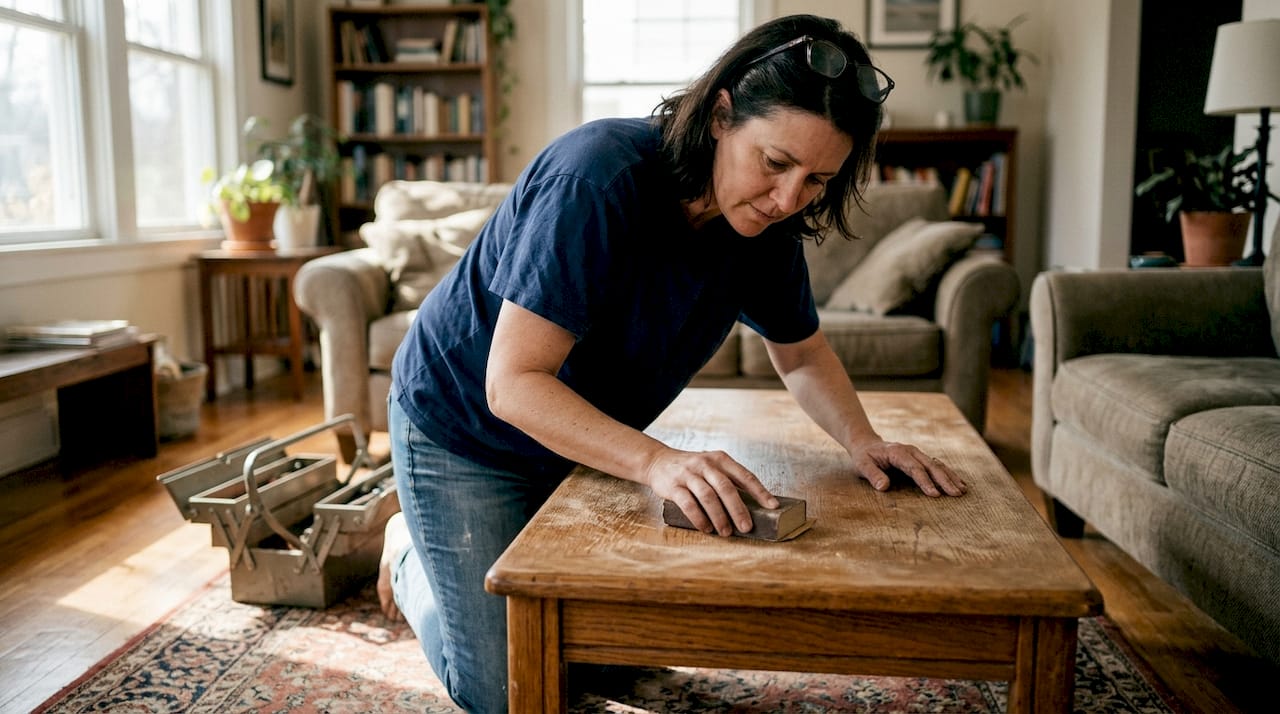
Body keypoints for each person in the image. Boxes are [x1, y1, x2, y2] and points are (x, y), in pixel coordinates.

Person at [377, 13, 966, 712]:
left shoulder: (766, 226)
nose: (787, 199)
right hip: (465, 428)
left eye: (817, 180)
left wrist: (865, 442)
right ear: (721, 114)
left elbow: (803, 354)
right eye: (775, 163)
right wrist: (658, 462)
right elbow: (512, 384)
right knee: (513, 695)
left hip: (581, 434)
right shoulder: (594, 178)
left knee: (603, 657)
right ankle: (409, 552)